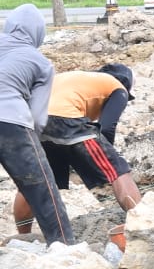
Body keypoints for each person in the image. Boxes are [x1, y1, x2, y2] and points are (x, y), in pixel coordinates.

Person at [13, 63, 142, 234]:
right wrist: (103, 156)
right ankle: (141, 223)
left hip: (34, 121)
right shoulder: (118, 87)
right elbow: (107, 127)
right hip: (65, 118)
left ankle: (23, 236)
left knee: (37, 179)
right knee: (117, 168)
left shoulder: (77, 78)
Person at [0, 4, 74, 245]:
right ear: (38, 35)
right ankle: (65, 248)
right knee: (42, 190)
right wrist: (35, 148)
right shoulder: (41, 63)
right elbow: (38, 118)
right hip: (12, 123)